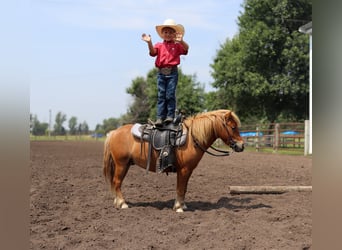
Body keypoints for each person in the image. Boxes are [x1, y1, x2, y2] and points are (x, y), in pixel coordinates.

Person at [142, 19, 189, 127]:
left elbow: (186, 49)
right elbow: (153, 52)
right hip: (161, 73)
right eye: (165, 32)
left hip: (172, 72)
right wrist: (149, 42)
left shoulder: (177, 45)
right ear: (162, 34)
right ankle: (159, 117)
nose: (168, 34)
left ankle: (170, 116)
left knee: (170, 94)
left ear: (174, 34)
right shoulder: (159, 45)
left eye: (170, 32)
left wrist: (181, 41)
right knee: (161, 95)